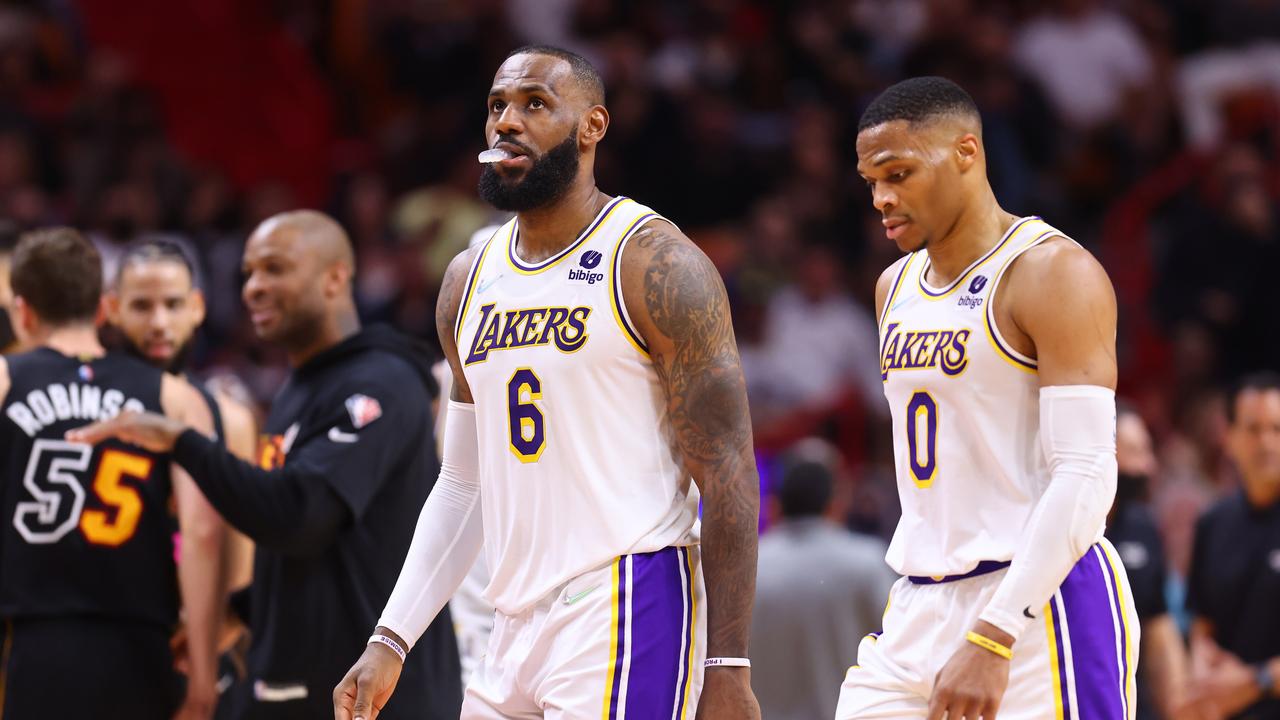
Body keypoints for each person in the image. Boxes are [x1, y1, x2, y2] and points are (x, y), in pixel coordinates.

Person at [335, 45, 762, 720]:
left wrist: (729, 665)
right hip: (509, 623)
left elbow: (729, 468)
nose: (508, 121)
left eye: (535, 104)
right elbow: (462, 483)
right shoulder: (467, 279)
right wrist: (393, 635)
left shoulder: (652, 260)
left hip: (628, 598)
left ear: (592, 126)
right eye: (497, 106)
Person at [68, 211, 462, 719]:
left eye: (274, 268)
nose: (253, 287)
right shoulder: (302, 387)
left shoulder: (381, 383)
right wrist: (240, 611)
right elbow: (318, 553)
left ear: (336, 276)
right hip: (304, 686)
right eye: (249, 272)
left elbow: (300, 514)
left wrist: (181, 440)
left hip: (377, 699)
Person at [838, 76, 1137, 719]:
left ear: (967, 153)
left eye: (898, 174)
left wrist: (996, 631)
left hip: (1037, 604)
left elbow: (1087, 473)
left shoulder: (1054, 273)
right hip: (918, 600)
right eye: (871, 183)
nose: (882, 199)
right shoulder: (893, 286)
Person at [0, 227, 225, 719]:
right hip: (143, 645)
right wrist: (205, 676)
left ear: (22, 311)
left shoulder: (4, 378)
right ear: (104, 309)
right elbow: (203, 532)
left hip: (34, 643)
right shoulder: (174, 397)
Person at [105, 237, 260, 692]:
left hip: (195, 652)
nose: (159, 323)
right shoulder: (89, 410)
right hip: (107, 638)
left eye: (173, 305)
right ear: (111, 309)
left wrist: (203, 644)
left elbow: (240, 570)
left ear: (197, 307)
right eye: (141, 306)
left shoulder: (229, 418)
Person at [751, 439, 897, 720]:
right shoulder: (866, 565)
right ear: (836, 503)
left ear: (774, 505)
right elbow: (902, 649)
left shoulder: (750, 570)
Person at [1185, 372, 1280, 719]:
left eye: (1276, 429)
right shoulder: (1213, 523)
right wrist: (1200, 661)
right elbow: (1202, 622)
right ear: (1230, 437)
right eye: (1254, 429)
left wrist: (1255, 680)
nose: (1267, 443)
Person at [1106, 402, 1195, 720]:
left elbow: (1159, 627)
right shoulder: (1059, 525)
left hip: (1133, 704)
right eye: (1135, 451)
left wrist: (1181, 706)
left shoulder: (1144, 527)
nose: (1149, 466)